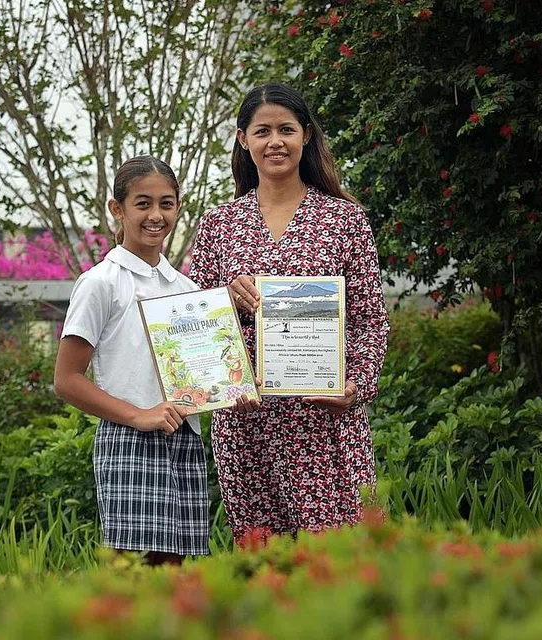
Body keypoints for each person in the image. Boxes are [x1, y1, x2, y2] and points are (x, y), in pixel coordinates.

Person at [188, 83, 390, 543]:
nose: (274, 141)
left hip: (324, 420)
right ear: (243, 140)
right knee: (265, 566)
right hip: (246, 424)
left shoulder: (344, 220)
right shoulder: (220, 224)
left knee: (341, 561)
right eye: (262, 131)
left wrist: (356, 385)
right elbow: (192, 321)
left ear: (307, 136)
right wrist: (225, 296)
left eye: (286, 129)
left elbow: (370, 319)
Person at [54, 156, 210, 566]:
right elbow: (67, 379)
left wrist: (233, 392)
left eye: (167, 203)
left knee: (174, 578)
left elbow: (197, 378)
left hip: (183, 438)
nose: (156, 215)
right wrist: (139, 415)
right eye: (143, 204)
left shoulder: (187, 288)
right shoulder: (101, 283)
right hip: (129, 439)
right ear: (117, 210)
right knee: (136, 577)